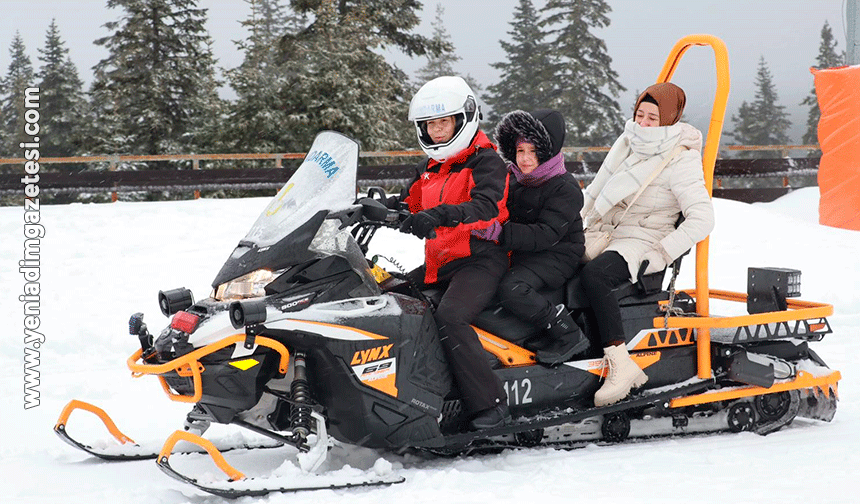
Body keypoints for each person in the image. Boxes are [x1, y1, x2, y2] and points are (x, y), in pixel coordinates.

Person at [579, 82, 715, 407]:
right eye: (639, 114)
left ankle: (621, 364)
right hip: (609, 230)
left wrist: (661, 254)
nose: (642, 123)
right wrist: (568, 225)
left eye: (652, 118)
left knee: (594, 276)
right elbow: (596, 192)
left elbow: (702, 218)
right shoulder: (628, 143)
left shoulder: (681, 159)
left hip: (643, 240)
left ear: (668, 119)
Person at [398, 76, 512, 430]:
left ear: (463, 120)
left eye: (443, 123)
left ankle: (491, 403)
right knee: (388, 297)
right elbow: (408, 202)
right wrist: (372, 208)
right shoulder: (430, 168)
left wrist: (440, 215)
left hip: (480, 258)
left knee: (450, 316)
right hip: (441, 261)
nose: (436, 131)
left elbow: (485, 207)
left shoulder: (486, 162)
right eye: (430, 125)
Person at [493, 109, 589, 366]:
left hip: (558, 252)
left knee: (511, 287)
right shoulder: (515, 178)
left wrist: (500, 233)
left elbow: (546, 234)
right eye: (521, 151)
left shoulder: (564, 187)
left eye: (533, 152)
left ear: (547, 153)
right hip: (526, 247)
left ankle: (566, 332)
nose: (525, 159)